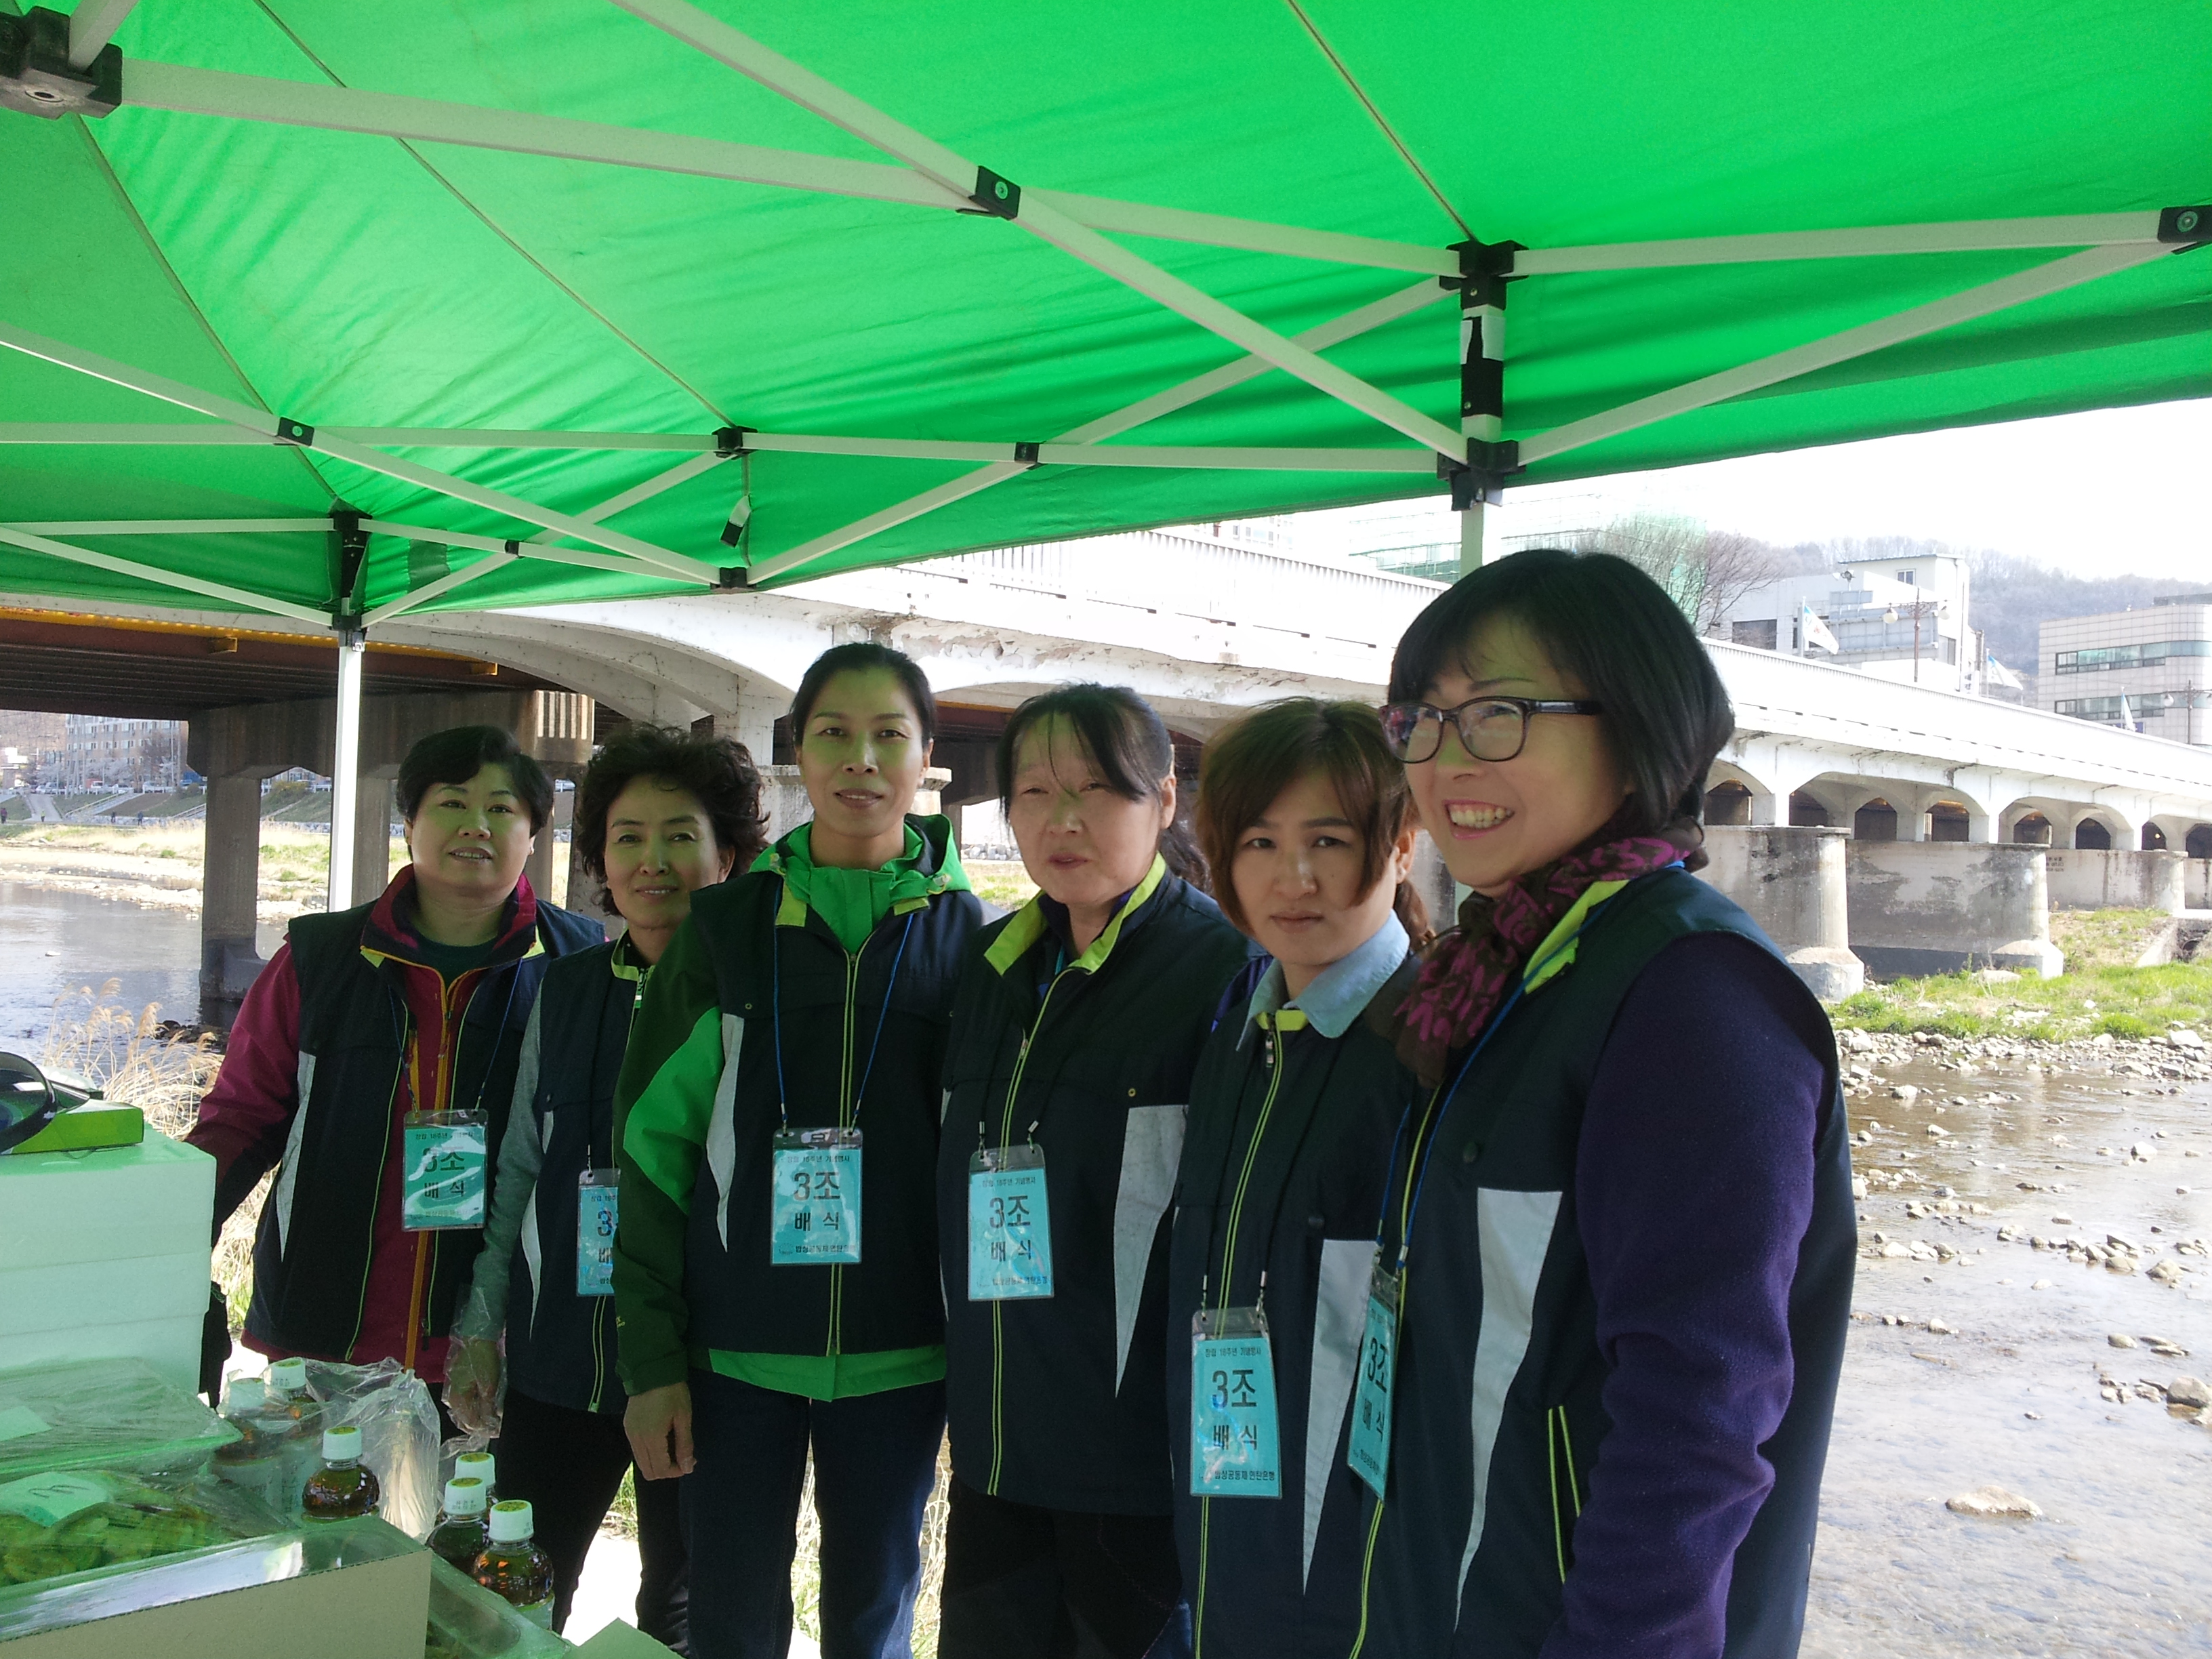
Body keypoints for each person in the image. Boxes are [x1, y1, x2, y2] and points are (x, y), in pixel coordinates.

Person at [1347, 549, 1854, 1658]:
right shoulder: (1508, 968)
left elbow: (1698, 1418)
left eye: (1496, 715)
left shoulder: (1690, 996)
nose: (1445, 759)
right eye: (1421, 720)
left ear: (1634, 727)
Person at [615, 643, 984, 1659]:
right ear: (800, 751)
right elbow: (652, 1153)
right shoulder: (724, 930)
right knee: (730, 1624)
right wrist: (652, 1361)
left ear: (926, 760)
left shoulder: (977, 942)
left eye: (888, 735)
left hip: (903, 1356)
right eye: (834, 733)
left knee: (873, 1622)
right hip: (734, 1356)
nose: (861, 758)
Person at [935, 683, 1253, 1659]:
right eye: (1034, 792)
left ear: (1165, 800)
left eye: (1096, 789)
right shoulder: (992, 965)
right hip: (995, 1446)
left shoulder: (1225, 971)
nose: (1062, 819)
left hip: (1133, 1470)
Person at [442, 724, 767, 1647]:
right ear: (600, 863)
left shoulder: (759, 997)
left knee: (679, 1606)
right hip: (560, 1356)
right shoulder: (567, 988)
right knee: (514, 1586)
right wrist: (480, 1327)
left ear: (727, 856)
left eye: (680, 836)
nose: (652, 861)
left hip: (699, 1367)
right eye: (628, 837)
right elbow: (520, 1165)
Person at [188, 725, 601, 1389]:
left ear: (534, 834)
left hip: (500, 1341)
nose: (477, 825)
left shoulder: (581, 966)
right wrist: (170, 1235)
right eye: (452, 803)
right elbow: (240, 1120)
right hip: (328, 1329)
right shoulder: (319, 959)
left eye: (501, 809)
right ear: (409, 824)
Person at [1164, 699, 1430, 1659]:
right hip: (1225, 1520)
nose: (1294, 877)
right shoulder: (1243, 1029)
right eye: (1260, 842)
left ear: (1401, 847)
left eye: (1328, 840)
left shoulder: (1431, 1050)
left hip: (1358, 1567)